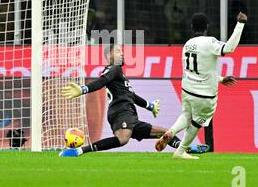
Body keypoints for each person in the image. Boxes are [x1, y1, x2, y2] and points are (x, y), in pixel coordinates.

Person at [58, 44, 209, 157]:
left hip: (130, 115)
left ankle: (183, 148)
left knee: (164, 133)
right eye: (117, 51)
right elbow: (102, 81)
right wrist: (83, 89)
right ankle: (79, 151)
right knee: (123, 139)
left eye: (122, 51)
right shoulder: (113, 69)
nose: (122, 53)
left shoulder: (120, 75)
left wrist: (150, 106)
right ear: (109, 56)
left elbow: (132, 96)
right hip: (121, 112)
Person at [155, 11, 247, 159]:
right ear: (207, 27)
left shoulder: (187, 45)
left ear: (192, 27)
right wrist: (240, 24)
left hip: (187, 89)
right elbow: (229, 48)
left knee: (187, 114)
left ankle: (170, 132)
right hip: (205, 95)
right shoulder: (210, 42)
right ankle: (180, 151)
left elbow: (197, 71)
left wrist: (221, 79)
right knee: (197, 122)